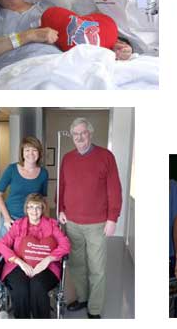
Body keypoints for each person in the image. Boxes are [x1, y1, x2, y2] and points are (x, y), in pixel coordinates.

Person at [58, 117, 123, 318]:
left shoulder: (106, 157)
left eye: (83, 133)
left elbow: (115, 190)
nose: (79, 137)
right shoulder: (67, 158)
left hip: (97, 224)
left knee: (97, 268)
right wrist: (60, 209)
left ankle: (94, 309)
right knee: (77, 265)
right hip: (71, 222)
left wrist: (112, 218)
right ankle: (83, 298)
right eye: (75, 134)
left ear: (90, 134)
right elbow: (62, 187)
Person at [0, 193, 71, 319]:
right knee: (21, 287)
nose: (34, 211)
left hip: (46, 268)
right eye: (30, 207)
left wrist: (48, 259)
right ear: (26, 209)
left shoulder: (52, 226)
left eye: (38, 207)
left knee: (38, 285)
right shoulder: (18, 225)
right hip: (18, 266)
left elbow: (66, 245)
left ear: (43, 209)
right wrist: (19, 261)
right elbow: (1, 245)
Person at [0, 136, 48, 239]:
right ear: (22, 153)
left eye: (34, 150)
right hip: (11, 219)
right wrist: (6, 218)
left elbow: (44, 199)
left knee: (27, 253)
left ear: (39, 153)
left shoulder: (43, 173)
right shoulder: (12, 169)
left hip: (32, 221)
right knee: (6, 253)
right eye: (27, 150)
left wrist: (46, 221)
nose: (31, 153)